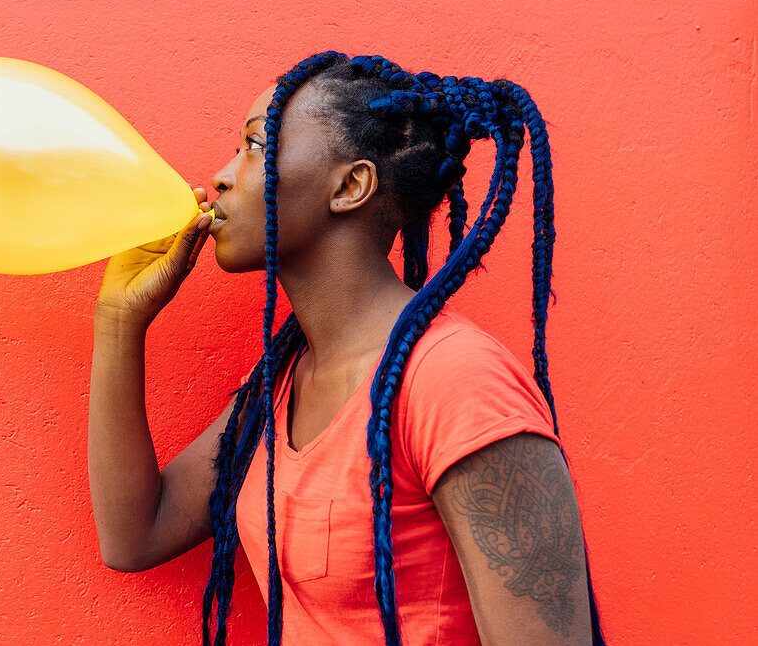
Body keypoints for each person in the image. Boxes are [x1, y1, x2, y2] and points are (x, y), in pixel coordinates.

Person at [88, 51, 607, 645]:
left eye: (256, 146)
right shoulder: (285, 379)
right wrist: (120, 321)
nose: (225, 175)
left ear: (351, 185)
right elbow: (134, 535)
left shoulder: (455, 383)